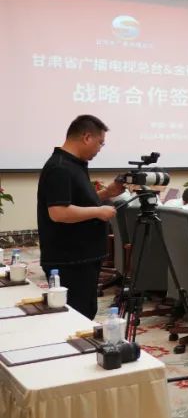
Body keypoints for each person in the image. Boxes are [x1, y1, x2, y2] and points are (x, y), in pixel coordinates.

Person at [37, 115, 125, 320]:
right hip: (69, 260)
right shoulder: (60, 167)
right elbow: (59, 212)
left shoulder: (74, 164)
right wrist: (99, 212)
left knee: (85, 311)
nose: (100, 149)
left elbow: (79, 201)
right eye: (100, 143)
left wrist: (107, 193)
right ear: (87, 137)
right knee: (74, 316)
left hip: (82, 256)